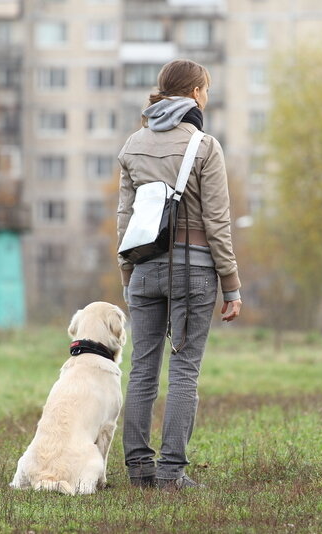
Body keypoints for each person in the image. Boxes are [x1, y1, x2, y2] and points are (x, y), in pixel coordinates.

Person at [116, 59, 242, 490]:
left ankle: (139, 470)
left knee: (142, 370)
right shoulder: (204, 146)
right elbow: (218, 223)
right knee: (184, 370)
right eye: (206, 89)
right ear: (194, 94)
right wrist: (231, 285)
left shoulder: (133, 144)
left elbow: (125, 218)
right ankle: (171, 474)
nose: (206, 96)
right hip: (195, 272)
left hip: (144, 268)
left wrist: (127, 274)